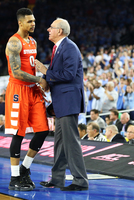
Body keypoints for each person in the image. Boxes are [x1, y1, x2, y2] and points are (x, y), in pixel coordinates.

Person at [36, 17, 88, 191]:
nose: (48, 30)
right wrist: (46, 79)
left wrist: (45, 72)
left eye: (51, 27)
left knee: (71, 142)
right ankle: (57, 179)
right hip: (61, 102)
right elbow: (60, 74)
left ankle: (80, 181)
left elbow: (68, 74)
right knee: (60, 142)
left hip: (69, 101)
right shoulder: (58, 48)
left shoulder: (70, 47)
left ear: (60, 31)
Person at [5, 8, 50, 191]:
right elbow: (16, 72)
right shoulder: (14, 42)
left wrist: (39, 80)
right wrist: (39, 79)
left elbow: (29, 67)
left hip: (33, 91)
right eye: (30, 21)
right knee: (19, 133)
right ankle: (14, 178)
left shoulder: (32, 41)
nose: (33, 24)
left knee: (43, 130)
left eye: (34, 20)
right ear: (20, 22)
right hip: (18, 91)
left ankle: (25, 168)